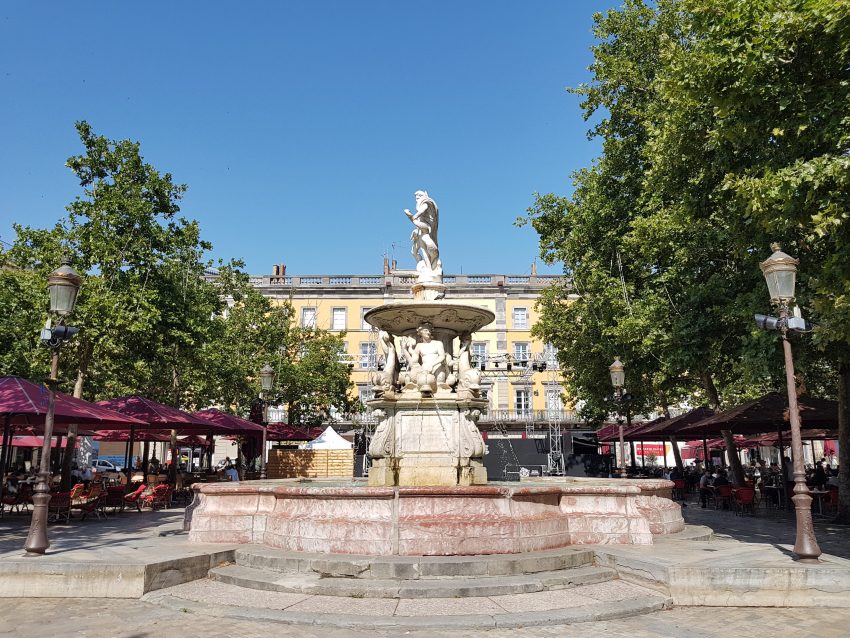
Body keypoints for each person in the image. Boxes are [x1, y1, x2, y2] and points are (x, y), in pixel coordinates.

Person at [404, 190, 440, 278]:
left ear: (422, 196)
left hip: (426, 230)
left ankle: (430, 268)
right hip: (421, 231)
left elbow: (422, 210)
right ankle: (427, 268)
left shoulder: (426, 204)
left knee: (426, 249)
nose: (416, 200)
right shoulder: (423, 208)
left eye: (417, 198)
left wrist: (412, 217)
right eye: (416, 199)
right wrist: (415, 230)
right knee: (416, 251)